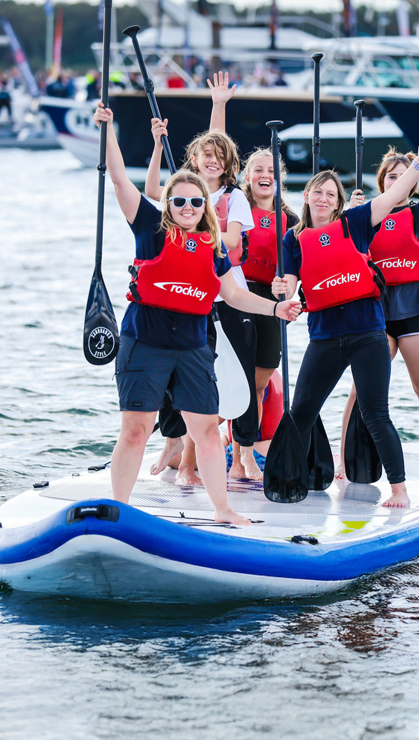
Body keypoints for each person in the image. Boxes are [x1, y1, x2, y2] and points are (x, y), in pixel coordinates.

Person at [93, 102, 301, 526]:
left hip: (191, 346)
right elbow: (119, 180)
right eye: (179, 200)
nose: (187, 207)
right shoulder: (150, 228)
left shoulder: (214, 245)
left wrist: (276, 307)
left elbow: (235, 295)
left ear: (203, 207)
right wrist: (107, 131)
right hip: (145, 341)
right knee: (136, 429)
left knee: (206, 429)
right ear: (168, 204)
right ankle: (120, 508)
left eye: (194, 201)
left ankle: (223, 510)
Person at [271, 130, 419, 508]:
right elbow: (292, 283)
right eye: (318, 192)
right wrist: (284, 291)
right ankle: (290, 476)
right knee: (301, 411)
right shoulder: (293, 240)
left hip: (368, 335)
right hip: (326, 338)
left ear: (338, 204)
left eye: (331, 194)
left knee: (375, 413)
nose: (323, 198)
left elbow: (396, 195)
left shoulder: (357, 223)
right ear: (307, 196)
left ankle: (399, 490)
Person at [340, 109, 419, 485]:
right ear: (383, 183)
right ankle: (342, 462)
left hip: (416, 308)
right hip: (376, 311)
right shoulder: (365, 216)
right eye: (391, 177)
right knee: (361, 389)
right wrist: (351, 215)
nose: (398, 180)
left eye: (403, 175)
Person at [144, 76, 257, 485]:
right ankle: (176, 444)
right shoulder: (183, 192)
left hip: (227, 297)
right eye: (204, 156)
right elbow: (153, 190)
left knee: (229, 374)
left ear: (228, 165)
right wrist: (158, 146)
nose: (212, 161)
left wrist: (190, 231)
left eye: (219, 158)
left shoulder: (231, 197)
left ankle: (236, 453)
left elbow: (229, 240)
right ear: (193, 159)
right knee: (183, 372)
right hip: (190, 299)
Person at [225, 145, 300, 479]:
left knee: (260, 378)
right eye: (258, 170)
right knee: (234, 378)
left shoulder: (293, 221)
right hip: (237, 292)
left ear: (280, 177)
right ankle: (239, 456)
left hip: (271, 300)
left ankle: (245, 451)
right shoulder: (234, 207)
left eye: (272, 171)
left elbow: (304, 262)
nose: (265, 176)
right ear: (246, 176)